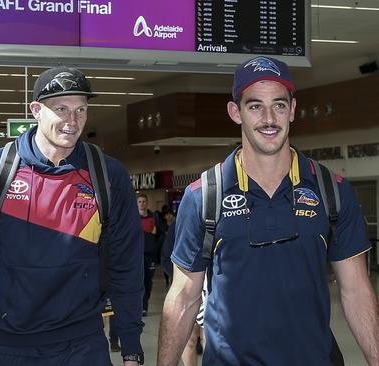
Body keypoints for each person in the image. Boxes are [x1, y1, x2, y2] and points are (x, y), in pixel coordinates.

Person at [156, 56, 379, 365]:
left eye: (279, 105)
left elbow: (356, 290)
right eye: (255, 106)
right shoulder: (204, 196)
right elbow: (183, 297)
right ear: (236, 112)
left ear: (293, 110)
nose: (269, 118)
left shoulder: (332, 190)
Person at [0, 66, 145, 366]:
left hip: (83, 346)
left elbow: (126, 265)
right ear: (36, 110)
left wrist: (131, 349)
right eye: (61, 109)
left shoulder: (108, 175)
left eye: (81, 110)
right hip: (9, 347)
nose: (72, 121)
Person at [137, 193, 158, 317]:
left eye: (144, 201)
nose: (142, 204)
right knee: (139, 282)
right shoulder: (133, 218)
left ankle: (145, 304)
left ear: (147, 203)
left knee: (148, 282)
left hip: (150, 256)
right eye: (139, 201)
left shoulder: (154, 217)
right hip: (137, 256)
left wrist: (154, 248)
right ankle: (141, 306)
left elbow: (160, 235)